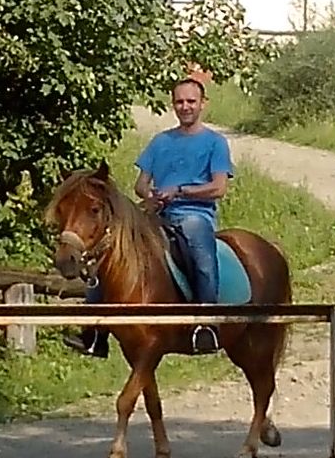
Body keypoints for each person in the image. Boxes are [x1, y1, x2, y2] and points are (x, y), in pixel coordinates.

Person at [64, 77, 234, 357]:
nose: (185, 107)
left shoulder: (215, 143)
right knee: (107, 252)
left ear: (203, 104)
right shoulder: (161, 141)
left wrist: (180, 191)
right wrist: (151, 195)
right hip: (157, 213)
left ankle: (207, 323)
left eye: (191, 101)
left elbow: (219, 187)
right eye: (179, 102)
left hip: (194, 214)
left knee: (201, 254)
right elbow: (140, 184)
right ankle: (94, 333)